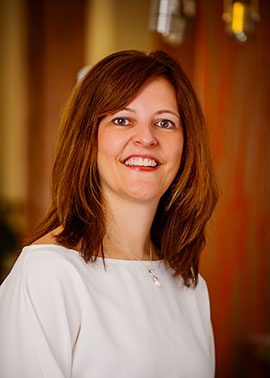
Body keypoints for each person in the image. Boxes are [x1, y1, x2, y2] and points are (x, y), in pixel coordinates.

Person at [0, 50, 218, 378]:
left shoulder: (189, 285)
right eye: (122, 119)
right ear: (88, 139)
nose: (147, 138)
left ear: (186, 145)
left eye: (164, 123)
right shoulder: (48, 274)